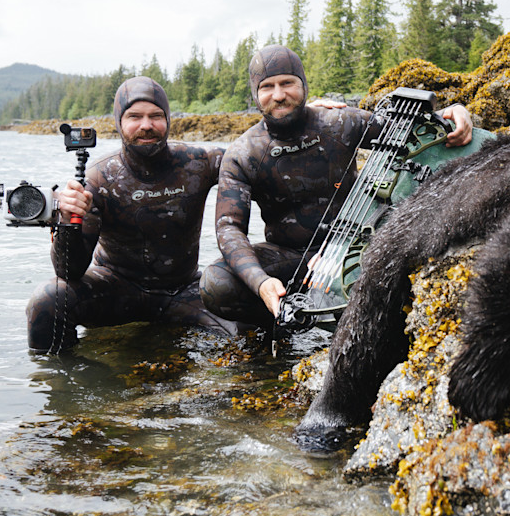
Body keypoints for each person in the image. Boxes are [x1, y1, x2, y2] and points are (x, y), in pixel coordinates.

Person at [200, 45, 473, 333]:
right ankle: (284, 321)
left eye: (287, 83)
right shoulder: (243, 153)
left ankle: (356, 321)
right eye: (267, 87)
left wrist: (452, 111)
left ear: (303, 85)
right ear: (255, 94)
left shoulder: (341, 122)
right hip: (289, 256)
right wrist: (261, 283)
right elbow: (229, 228)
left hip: (354, 248)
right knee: (215, 283)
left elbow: (408, 131)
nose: (279, 95)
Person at [25, 76, 245, 354]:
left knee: (249, 327)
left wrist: (310, 116)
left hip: (184, 290)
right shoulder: (99, 178)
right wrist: (66, 221)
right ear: (119, 123)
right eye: (134, 116)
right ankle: (63, 384)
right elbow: (69, 271)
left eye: (156, 116)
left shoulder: (199, 161)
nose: (146, 125)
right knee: (47, 301)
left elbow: (255, 157)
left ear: (168, 120)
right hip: (117, 289)